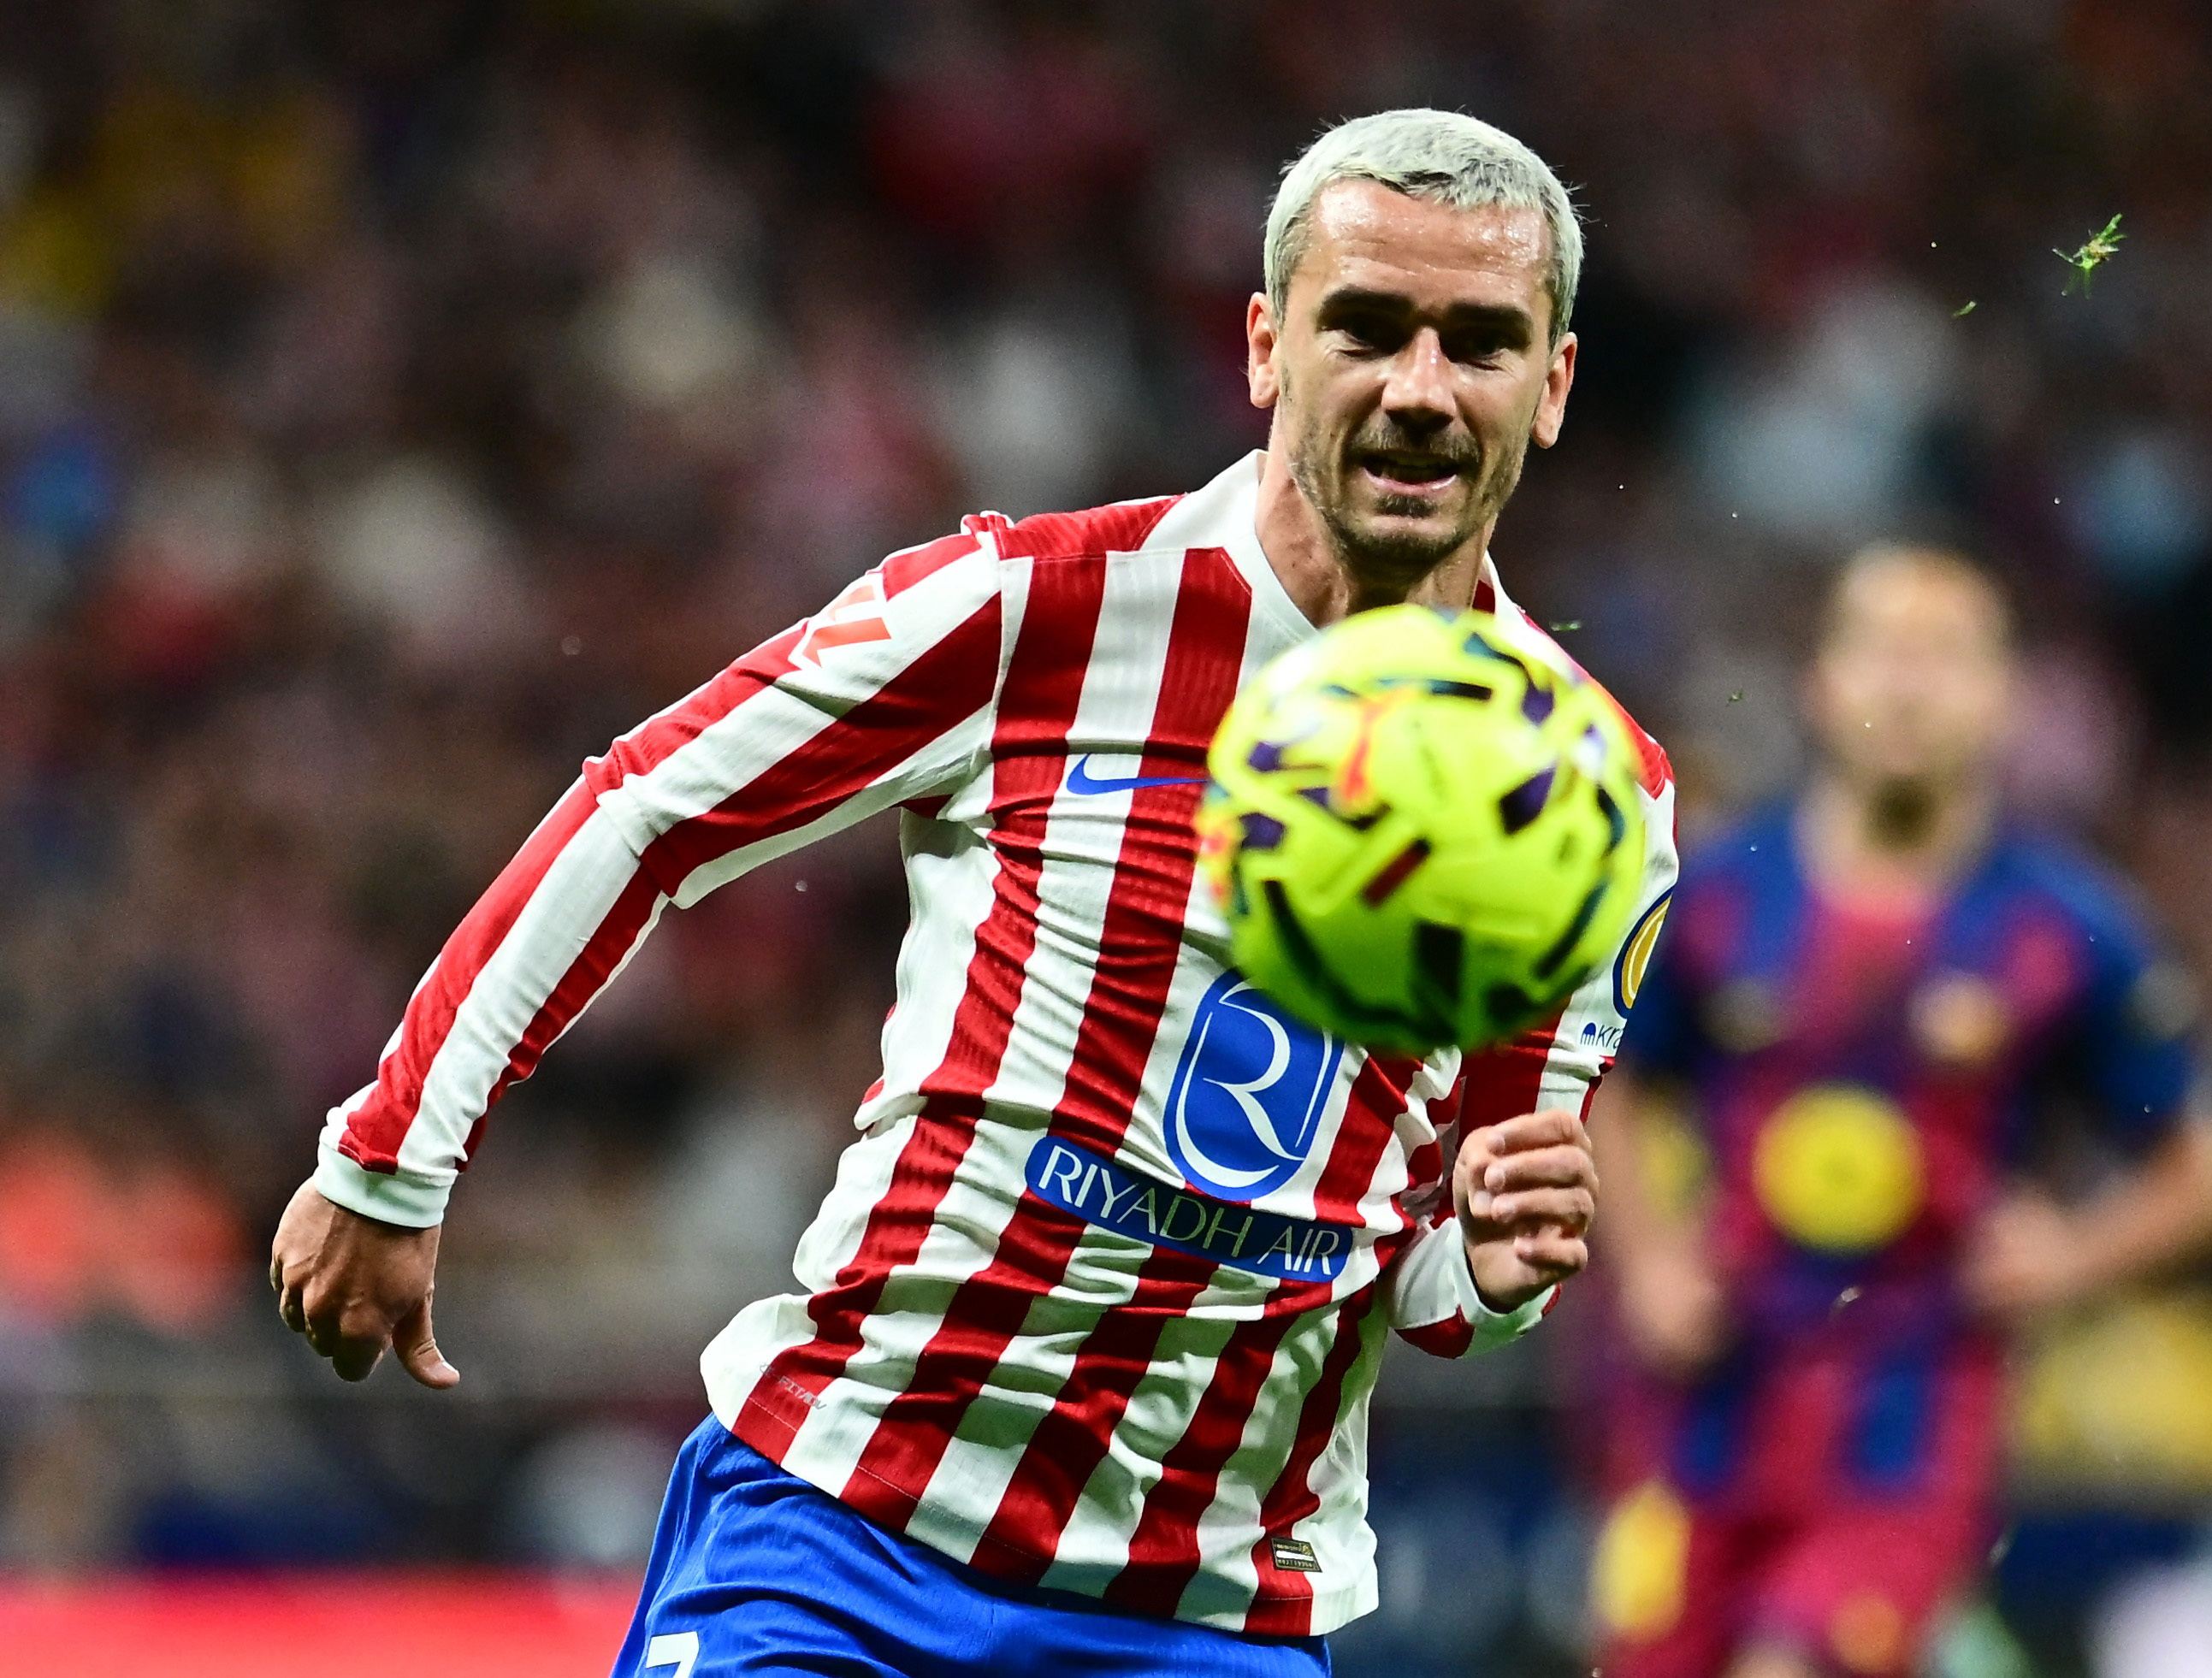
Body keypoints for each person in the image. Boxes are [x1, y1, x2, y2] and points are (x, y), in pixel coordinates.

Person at [267, 109, 1679, 1675]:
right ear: (1270, 348)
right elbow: (651, 808)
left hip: (1203, 1612)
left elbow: (1427, 1275)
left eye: (1480, 343)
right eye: (1369, 327)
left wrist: (1490, 1269)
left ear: (1550, 387)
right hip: (841, 1529)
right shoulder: (1039, 608)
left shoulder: (1601, 801)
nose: (1421, 389)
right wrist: (395, 1152)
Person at [1584, 545, 2212, 1678]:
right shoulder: (1715, 893)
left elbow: (2210, 1168)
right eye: (1880, 648)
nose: (1906, 682)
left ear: (2004, 696)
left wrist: (2074, 1256)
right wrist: (1645, 1259)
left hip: (1910, 1424)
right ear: (1822, 679)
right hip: (1700, 1411)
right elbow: (1606, 1083)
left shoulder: (2066, 924)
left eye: (1943, 655)